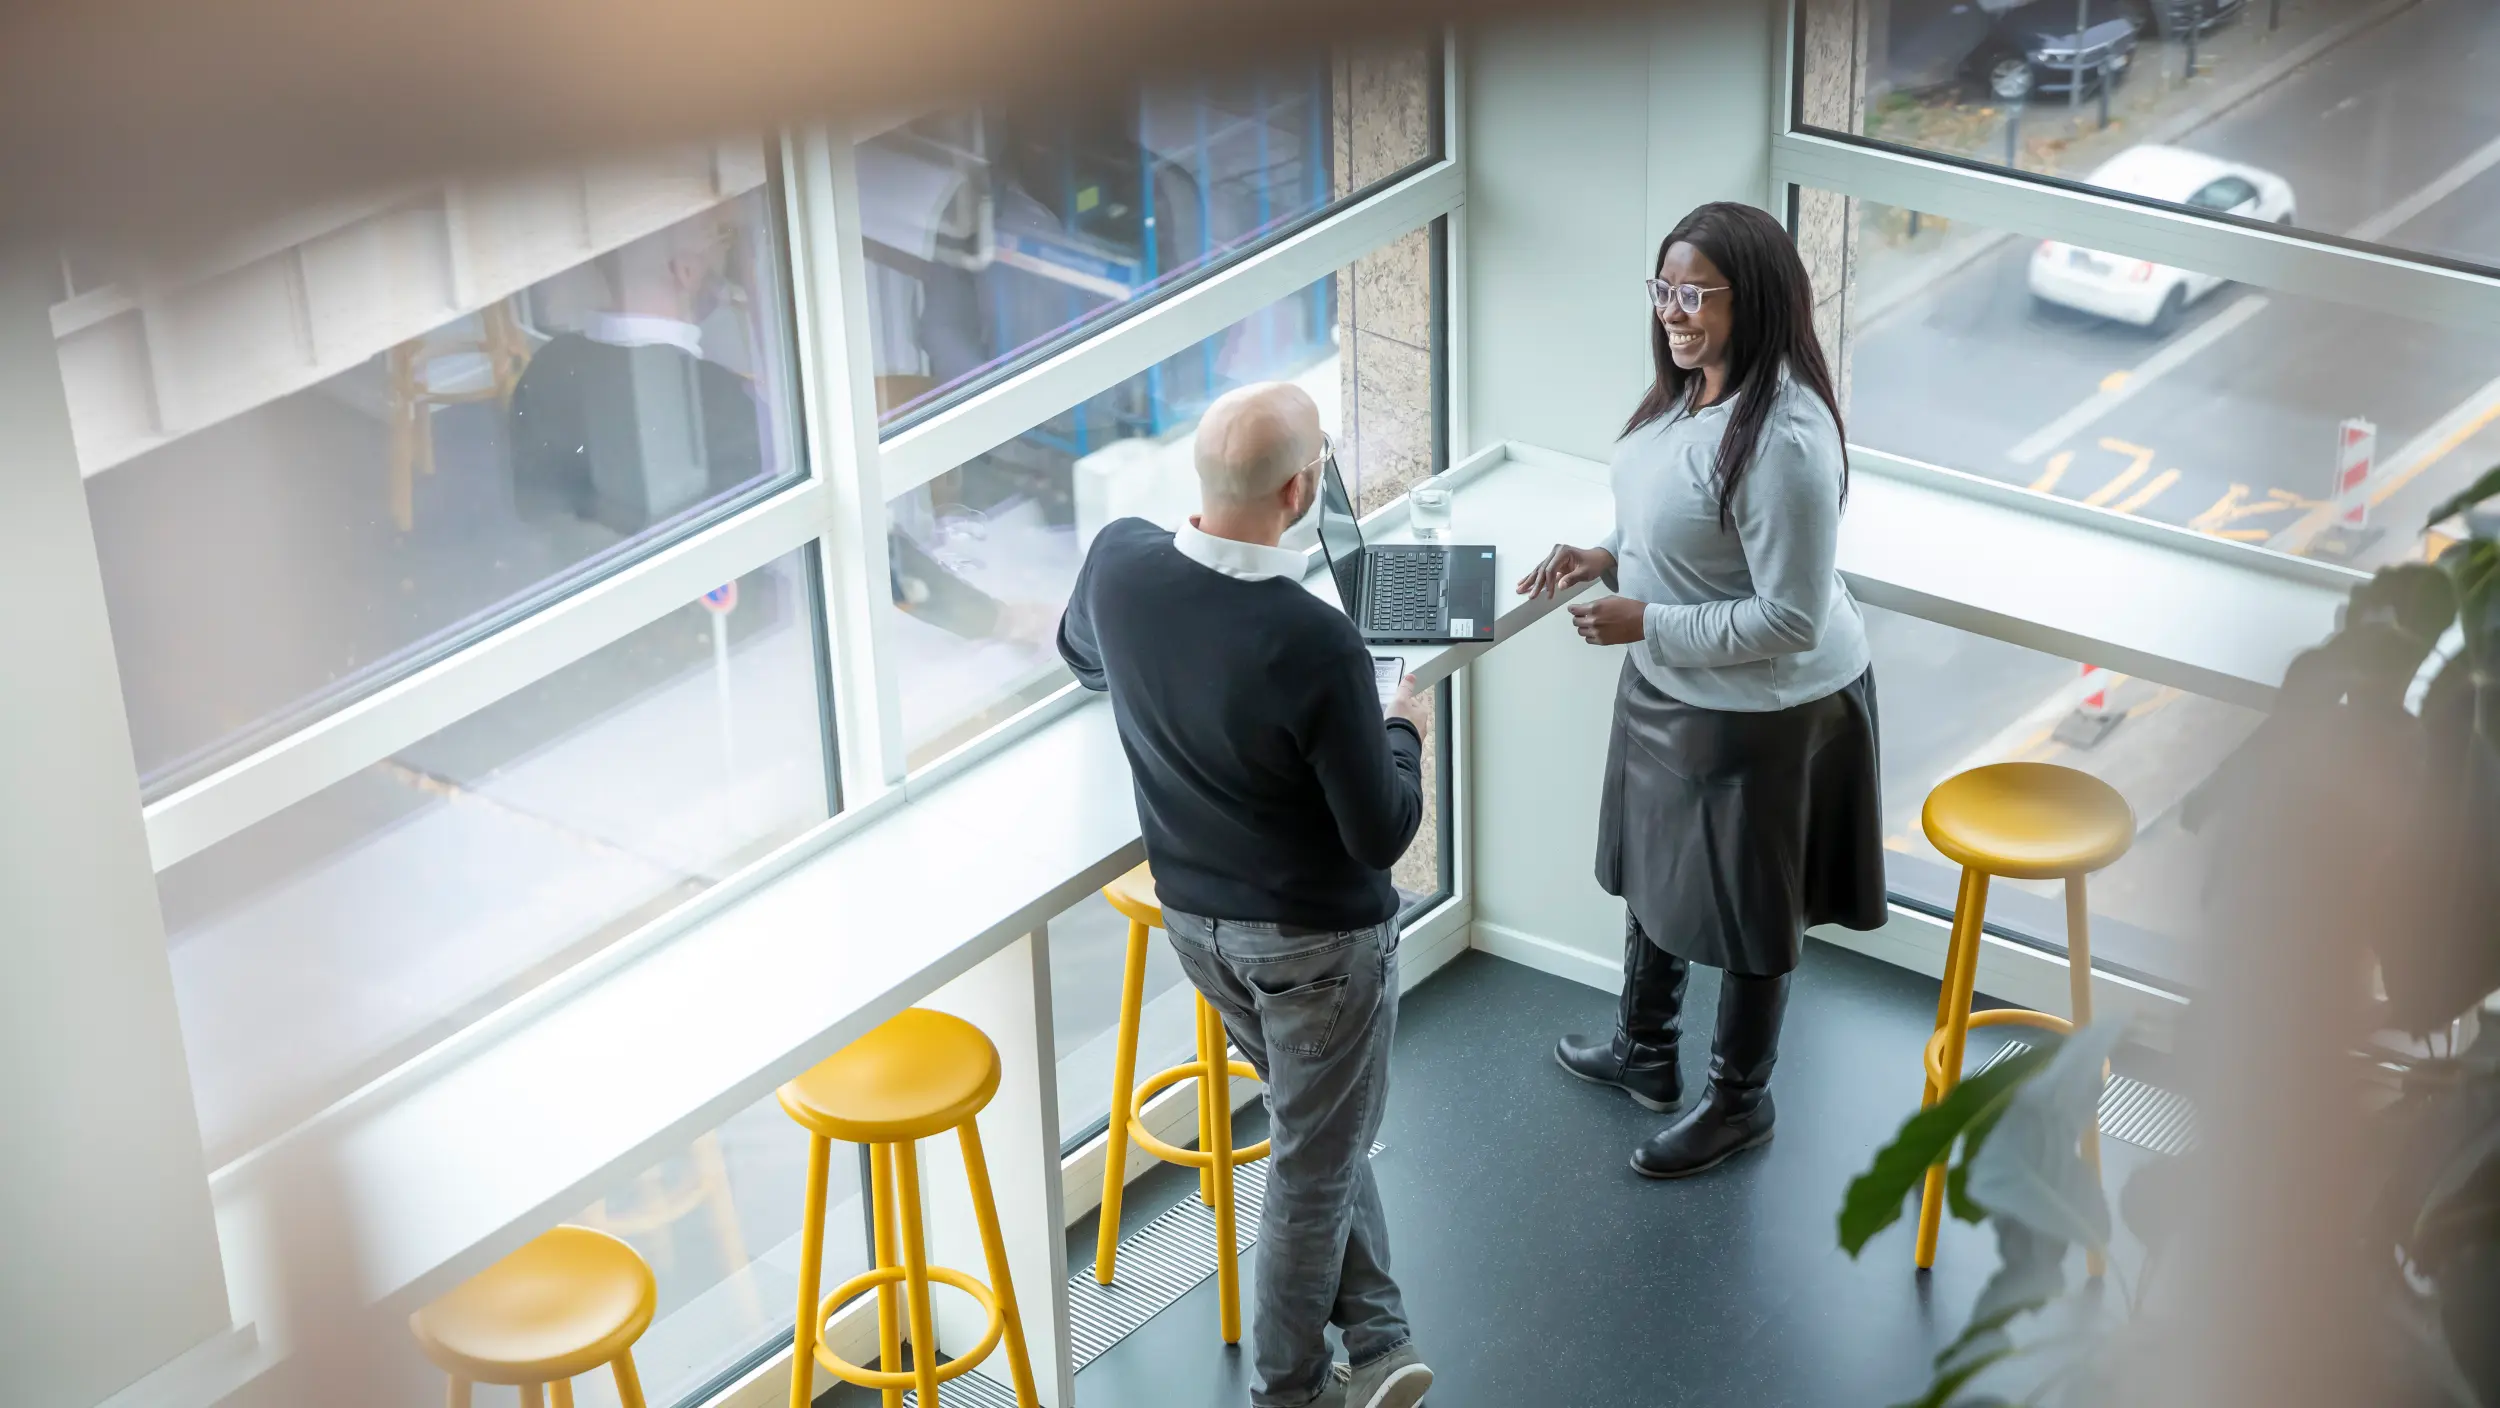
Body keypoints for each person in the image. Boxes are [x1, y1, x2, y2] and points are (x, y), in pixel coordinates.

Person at [1057, 383, 1435, 1408]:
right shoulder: (1315, 642)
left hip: (1200, 930)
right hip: (1320, 949)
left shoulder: (1119, 567)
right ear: (1303, 489)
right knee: (1312, 1172)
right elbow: (1382, 830)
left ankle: (1381, 1335)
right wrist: (1401, 724)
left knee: (1322, 1129)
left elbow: (1081, 655)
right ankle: (1292, 1392)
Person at [1519, 201, 1885, 1179]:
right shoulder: (1691, 391)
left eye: (1696, 295)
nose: (1674, 313)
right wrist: (1607, 554)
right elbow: (1673, 510)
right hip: (1671, 685)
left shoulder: (1788, 444)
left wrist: (1644, 620)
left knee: (1748, 912)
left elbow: (1788, 620)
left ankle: (1739, 1100)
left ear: (1752, 300)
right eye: (1664, 289)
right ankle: (1645, 1051)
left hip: (1767, 713)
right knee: (1652, 866)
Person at [507, 211, 1046, 644]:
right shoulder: (714, 405)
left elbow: (541, 516)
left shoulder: (546, 368)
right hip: (717, 650)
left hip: (584, 646)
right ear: (686, 272)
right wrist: (993, 620)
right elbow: (863, 548)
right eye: (720, 239)